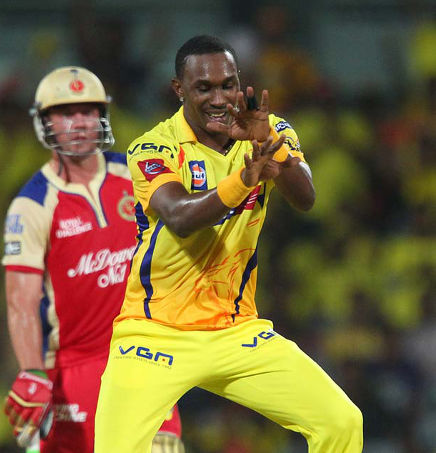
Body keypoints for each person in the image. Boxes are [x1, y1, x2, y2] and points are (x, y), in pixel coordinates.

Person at [94, 35, 363, 452]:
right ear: (179, 89)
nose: (219, 98)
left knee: (342, 422)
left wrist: (275, 158)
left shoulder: (269, 129)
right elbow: (181, 218)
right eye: (204, 88)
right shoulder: (154, 146)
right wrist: (245, 179)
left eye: (228, 84)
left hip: (236, 331)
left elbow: (306, 197)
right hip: (155, 334)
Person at [1, 66, 183, 453]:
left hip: (145, 355)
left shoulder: (134, 172)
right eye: (67, 113)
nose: (80, 123)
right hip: (73, 368)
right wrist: (32, 372)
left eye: (88, 111)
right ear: (45, 121)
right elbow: (21, 301)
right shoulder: (32, 205)